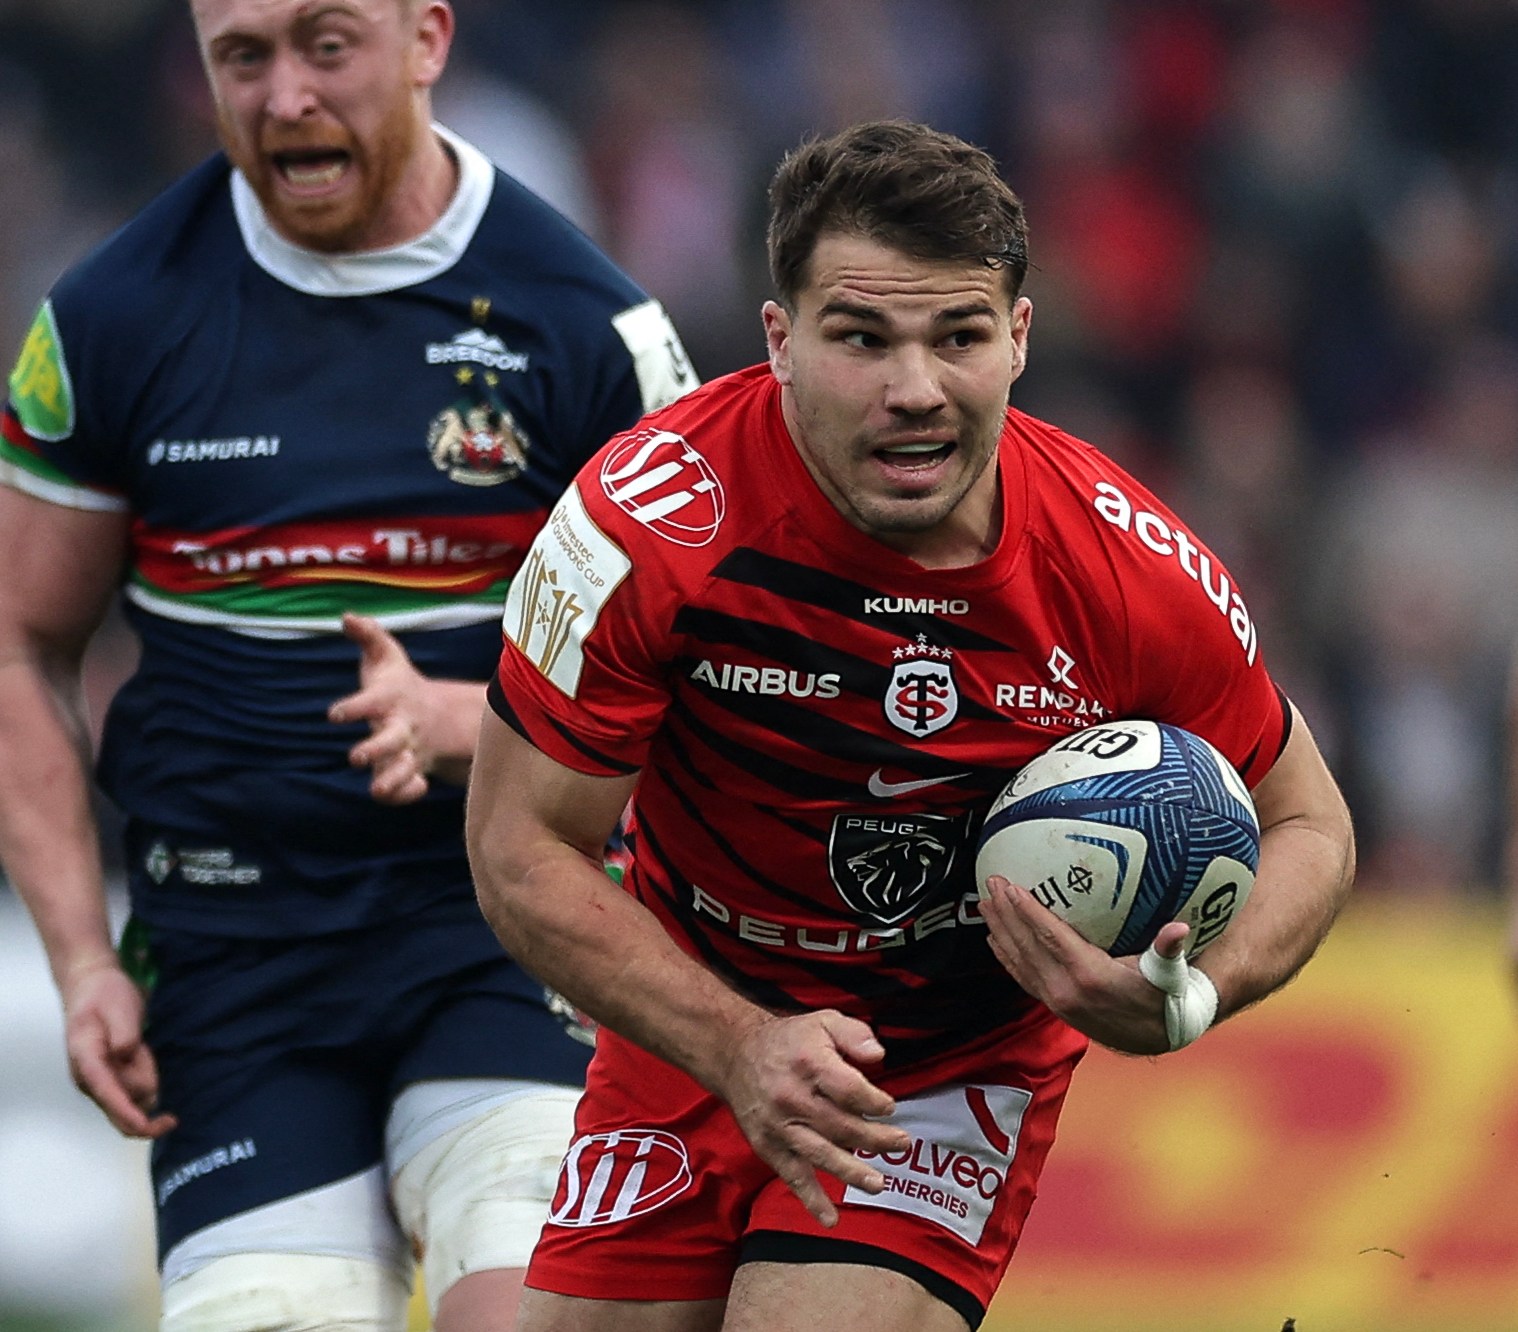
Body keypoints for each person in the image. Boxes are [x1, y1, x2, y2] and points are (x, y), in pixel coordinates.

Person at [465, 119, 1356, 1332]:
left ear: (1021, 338)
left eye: (960, 337)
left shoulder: (1124, 563)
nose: (915, 390)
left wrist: (1198, 992)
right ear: (779, 340)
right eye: (862, 338)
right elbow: (520, 849)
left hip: (944, 1056)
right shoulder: (644, 524)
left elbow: (1311, 820)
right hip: (686, 1015)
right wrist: (734, 1044)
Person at [0, 0, 695, 1328]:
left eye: (327, 46)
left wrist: (490, 729)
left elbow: (718, 673)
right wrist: (86, 959)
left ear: (427, 39)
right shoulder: (110, 320)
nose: (284, 99)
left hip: (515, 932)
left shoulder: (588, 327)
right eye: (241, 58)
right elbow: (20, 641)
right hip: (233, 964)